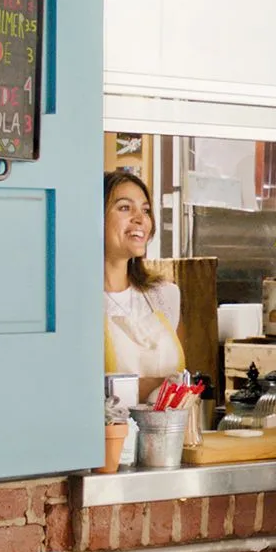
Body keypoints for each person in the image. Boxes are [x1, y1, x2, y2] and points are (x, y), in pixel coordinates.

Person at [102, 170, 184, 401]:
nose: (140, 219)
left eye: (146, 210)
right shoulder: (74, 301)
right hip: (105, 436)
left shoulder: (166, 295)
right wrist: (153, 386)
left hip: (165, 433)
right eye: (125, 208)